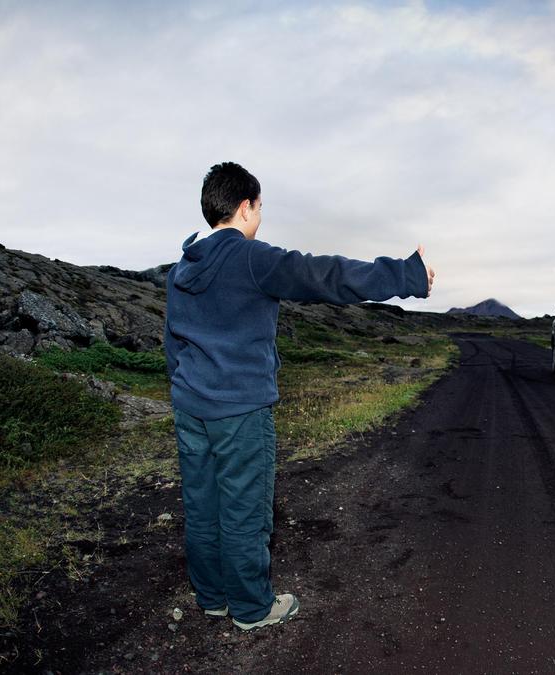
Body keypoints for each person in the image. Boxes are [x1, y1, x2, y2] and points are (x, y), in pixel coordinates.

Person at [163, 162, 435, 630]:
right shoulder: (250, 257)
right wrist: (404, 276)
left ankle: (212, 598)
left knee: (203, 506)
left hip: (190, 407)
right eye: (261, 206)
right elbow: (323, 275)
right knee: (244, 508)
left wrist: (187, 388)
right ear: (245, 206)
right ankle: (250, 608)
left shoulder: (180, 268)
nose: (261, 215)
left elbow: (173, 342)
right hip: (241, 411)